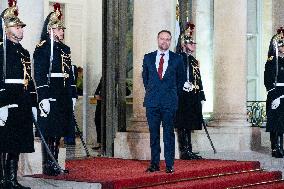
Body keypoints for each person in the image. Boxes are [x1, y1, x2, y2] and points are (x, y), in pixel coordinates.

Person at [33, 3, 77, 176]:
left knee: (59, 131)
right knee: (49, 130)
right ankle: (48, 164)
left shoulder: (65, 49)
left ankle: (55, 162)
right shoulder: (43, 48)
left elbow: (70, 74)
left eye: (62, 29)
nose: (62, 32)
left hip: (64, 93)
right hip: (51, 92)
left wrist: (73, 94)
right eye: (59, 29)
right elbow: (40, 73)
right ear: (51, 30)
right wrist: (43, 96)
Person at [0, 1, 36, 188]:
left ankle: (12, 180)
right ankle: (2, 180)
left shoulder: (24, 52)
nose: (21, 29)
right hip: (6, 101)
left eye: (21, 26)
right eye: (17, 26)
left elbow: (28, 79)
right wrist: (1, 105)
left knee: (17, 141)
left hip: (22, 101)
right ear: (6, 29)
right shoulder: (1, 49)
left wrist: (34, 102)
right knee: (4, 140)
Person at [142, 30, 184, 173]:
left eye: (167, 39)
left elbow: (181, 80)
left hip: (169, 103)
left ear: (170, 41)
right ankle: (154, 164)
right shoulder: (148, 58)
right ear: (157, 39)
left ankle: (169, 164)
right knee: (154, 134)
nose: (164, 41)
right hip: (152, 102)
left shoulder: (177, 59)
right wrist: (154, 91)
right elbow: (145, 79)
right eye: (162, 39)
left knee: (168, 134)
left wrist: (171, 94)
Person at [175, 23, 205, 160]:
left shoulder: (193, 60)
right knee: (183, 123)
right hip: (183, 96)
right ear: (183, 44)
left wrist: (201, 95)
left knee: (190, 123)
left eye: (193, 42)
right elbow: (174, 77)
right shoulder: (179, 58)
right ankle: (184, 150)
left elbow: (198, 79)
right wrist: (183, 85)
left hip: (192, 95)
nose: (193, 45)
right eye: (191, 42)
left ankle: (189, 149)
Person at [264, 38, 284, 158]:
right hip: (275, 93)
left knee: (282, 122)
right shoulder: (272, 61)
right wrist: (274, 97)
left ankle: (281, 146)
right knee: (275, 122)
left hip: (283, 94)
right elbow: (268, 81)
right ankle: (275, 147)